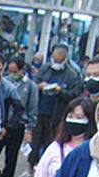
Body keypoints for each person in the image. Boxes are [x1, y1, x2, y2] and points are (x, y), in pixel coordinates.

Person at [30, 42, 82, 170]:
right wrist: (39, 86)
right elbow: (34, 84)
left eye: (59, 60)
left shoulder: (72, 74)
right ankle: (30, 166)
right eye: (55, 59)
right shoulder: (45, 68)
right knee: (35, 141)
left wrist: (60, 91)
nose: (56, 62)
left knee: (51, 141)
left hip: (57, 113)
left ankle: (47, 167)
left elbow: (74, 95)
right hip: (40, 109)